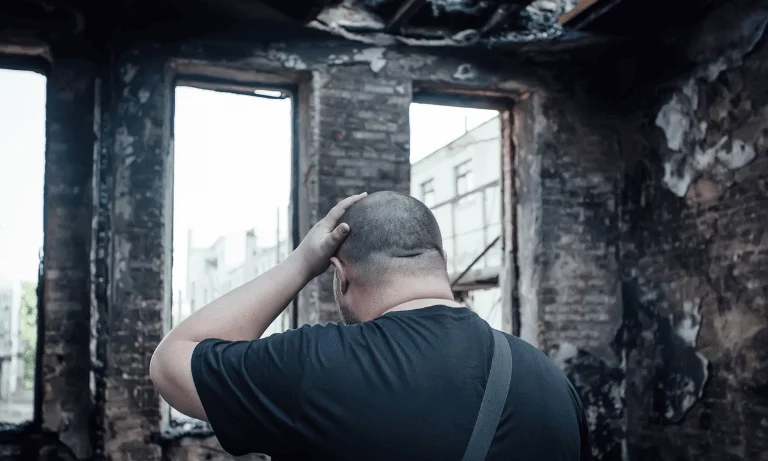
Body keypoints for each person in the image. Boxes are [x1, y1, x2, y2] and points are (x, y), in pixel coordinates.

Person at [150, 191, 590, 460]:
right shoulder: (552, 383)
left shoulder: (315, 367)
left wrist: (303, 261)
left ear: (340, 274)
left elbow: (171, 363)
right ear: (441, 264)